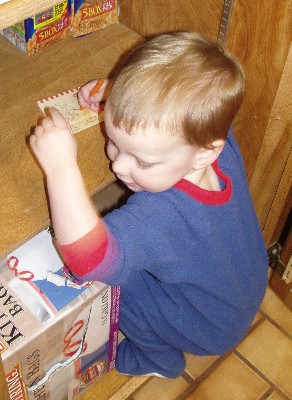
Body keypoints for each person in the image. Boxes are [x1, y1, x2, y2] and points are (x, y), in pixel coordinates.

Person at [30, 31, 268, 379]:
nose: (118, 166)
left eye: (143, 162)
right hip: (242, 289)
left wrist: (60, 167)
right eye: (113, 142)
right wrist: (122, 94)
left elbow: (90, 262)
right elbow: (187, 98)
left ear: (205, 152)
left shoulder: (158, 216)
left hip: (204, 327)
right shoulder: (211, 141)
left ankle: (158, 359)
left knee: (120, 284)